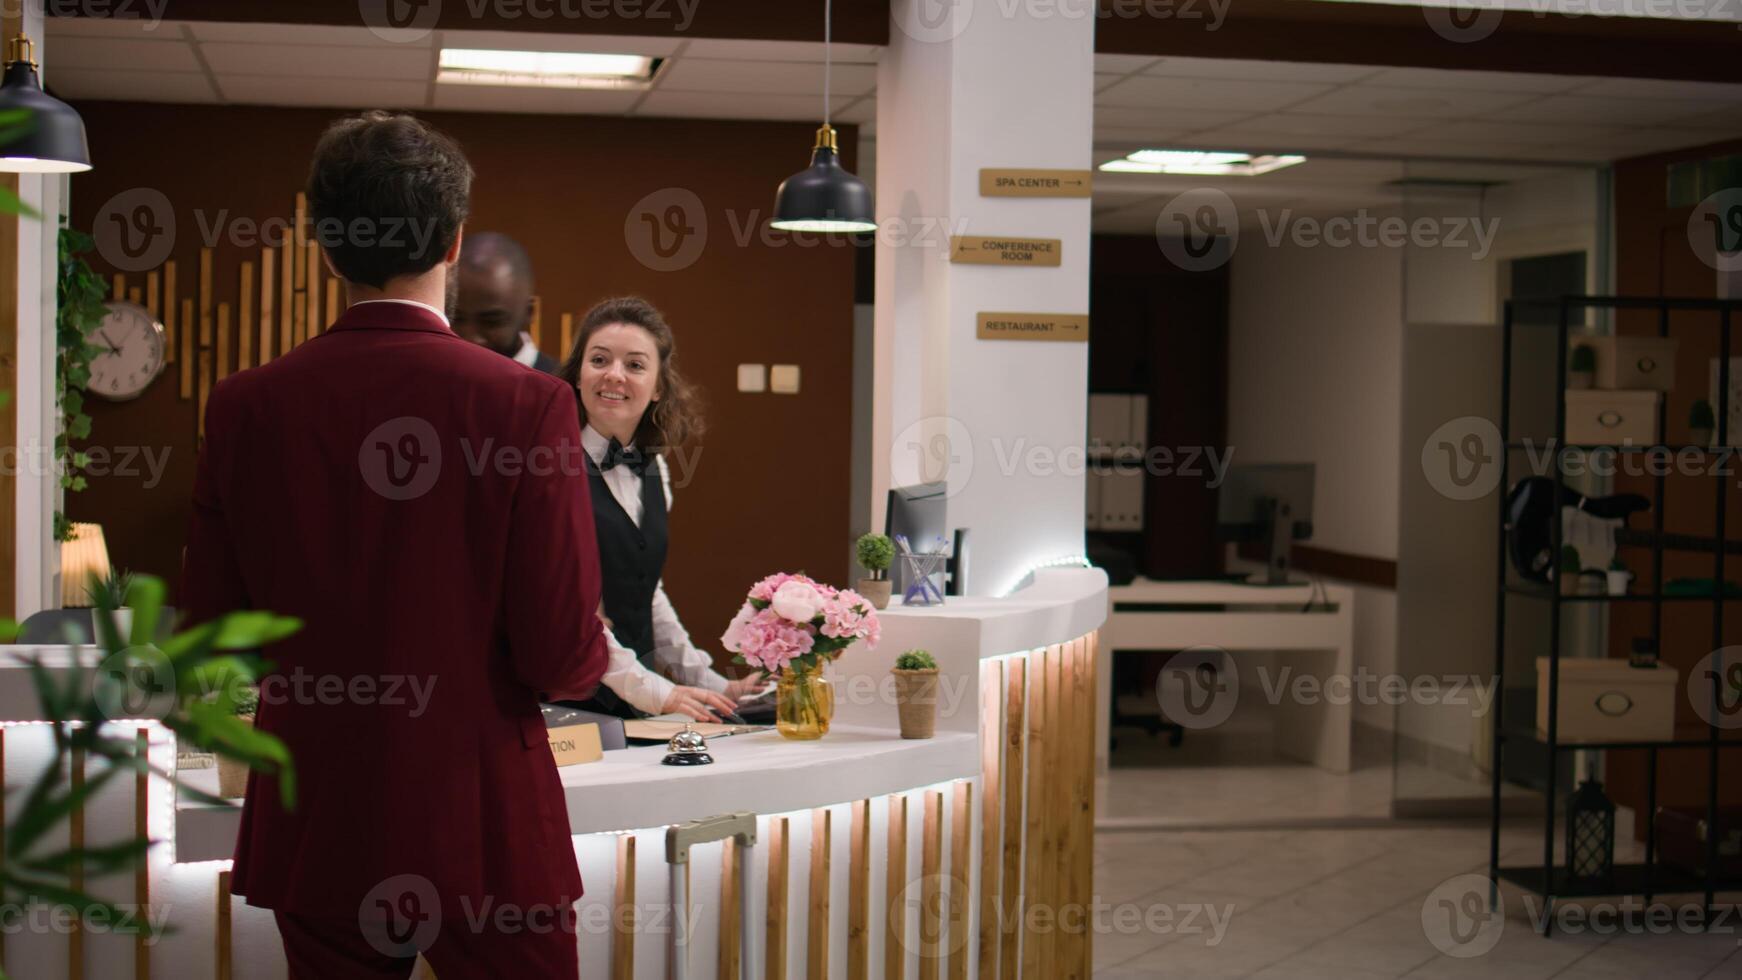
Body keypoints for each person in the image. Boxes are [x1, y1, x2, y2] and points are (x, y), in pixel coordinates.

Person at [182, 111, 608, 980]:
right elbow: (563, 653)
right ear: (454, 241)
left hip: (321, 808)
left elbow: (213, 636)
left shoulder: (244, 406)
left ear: (327, 248)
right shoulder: (528, 405)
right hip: (484, 815)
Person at [557, 296, 762, 722]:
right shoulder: (551, 470)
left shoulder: (657, 471)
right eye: (599, 359)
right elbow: (568, 609)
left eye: (634, 365)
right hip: (564, 701)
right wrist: (656, 692)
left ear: (658, 388)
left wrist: (713, 683)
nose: (614, 374)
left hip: (633, 699)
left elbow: (646, 593)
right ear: (578, 374)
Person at [453, 231, 559, 373]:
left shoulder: (566, 389)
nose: (470, 338)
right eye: (456, 318)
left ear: (529, 313)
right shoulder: (429, 379)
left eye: (491, 322)